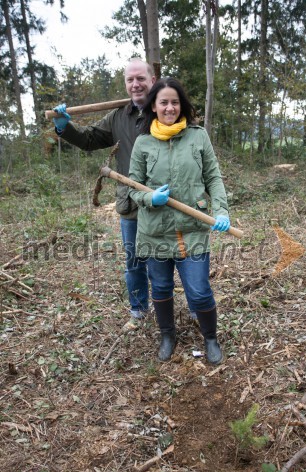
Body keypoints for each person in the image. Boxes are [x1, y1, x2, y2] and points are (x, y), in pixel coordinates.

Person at [128, 77, 230, 364]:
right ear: (154, 106)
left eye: (174, 102)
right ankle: (167, 335)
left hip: (193, 229)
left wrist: (221, 210)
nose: (169, 107)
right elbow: (132, 185)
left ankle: (210, 338)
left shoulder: (198, 136)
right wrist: (149, 199)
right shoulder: (143, 142)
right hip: (154, 231)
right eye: (163, 102)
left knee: (199, 290)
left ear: (181, 105)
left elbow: (213, 177)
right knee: (160, 287)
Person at [52, 59, 156, 331]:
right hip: (130, 201)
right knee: (134, 260)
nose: (135, 84)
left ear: (152, 80)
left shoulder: (164, 109)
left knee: (164, 259)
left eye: (141, 78)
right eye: (130, 80)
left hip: (161, 200)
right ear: (125, 84)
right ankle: (139, 310)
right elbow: (89, 140)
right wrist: (65, 126)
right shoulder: (118, 116)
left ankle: (167, 308)